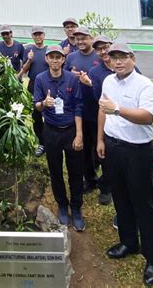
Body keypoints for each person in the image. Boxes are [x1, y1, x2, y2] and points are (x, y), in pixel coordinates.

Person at [97, 42, 153, 287]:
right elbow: (102, 110)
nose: (118, 62)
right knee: (121, 197)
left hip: (137, 151)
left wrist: (117, 109)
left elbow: (147, 116)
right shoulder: (108, 82)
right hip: (113, 147)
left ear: (132, 58)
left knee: (144, 204)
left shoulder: (144, 85)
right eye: (113, 57)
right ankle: (129, 242)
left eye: (123, 57)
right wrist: (100, 139)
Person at [33, 45, 84, 230]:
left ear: (63, 60)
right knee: (55, 170)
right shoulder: (40, 79)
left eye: (58, 57)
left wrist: (79, 134)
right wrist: (43, 103)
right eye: (51, 57)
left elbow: (78, 107)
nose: (55, 60)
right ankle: (62, 204)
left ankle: (76, 207)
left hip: (70, 130)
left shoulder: (71, 79)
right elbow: (36, 105)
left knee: (75, 171)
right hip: (51, 131)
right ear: (47, 59)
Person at [66, 26, 101, 192]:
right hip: (80, 110)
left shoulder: (99, 56)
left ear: (91, 38)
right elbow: (64, 77)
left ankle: (106, 184)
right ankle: (90, 178)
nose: (80, 41)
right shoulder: (71, 57)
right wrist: (71, 76)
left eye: (84, 38)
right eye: (77, 38)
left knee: (101, 146)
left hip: (99, 109)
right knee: (85, 147)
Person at [19, 26, 48, 156]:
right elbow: (24, 70)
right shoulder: (29, 50)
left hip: (48, 85)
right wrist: (30, 60)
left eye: (40, 34)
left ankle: (50, 141)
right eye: (35, 34)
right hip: (33, 85)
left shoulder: (48, 50)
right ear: (32, 36)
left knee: (50, 114)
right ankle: (41, 143)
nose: (38, 37)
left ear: (44, 35)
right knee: (36, 116)